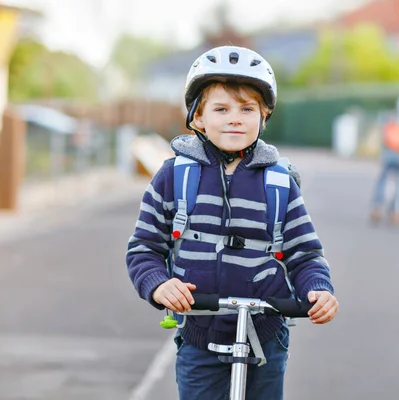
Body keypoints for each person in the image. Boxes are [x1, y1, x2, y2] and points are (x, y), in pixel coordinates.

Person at [126, 45, 338, 400]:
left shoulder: (279, 182)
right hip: (200, 334)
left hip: (266, 333)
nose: (235, 119)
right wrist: (159, 284)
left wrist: (318, 288)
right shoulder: (174, 175)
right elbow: (144, 248)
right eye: (221, 109)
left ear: (264, 115)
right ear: (198, 118)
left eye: (247, 109)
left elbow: (305, 254)